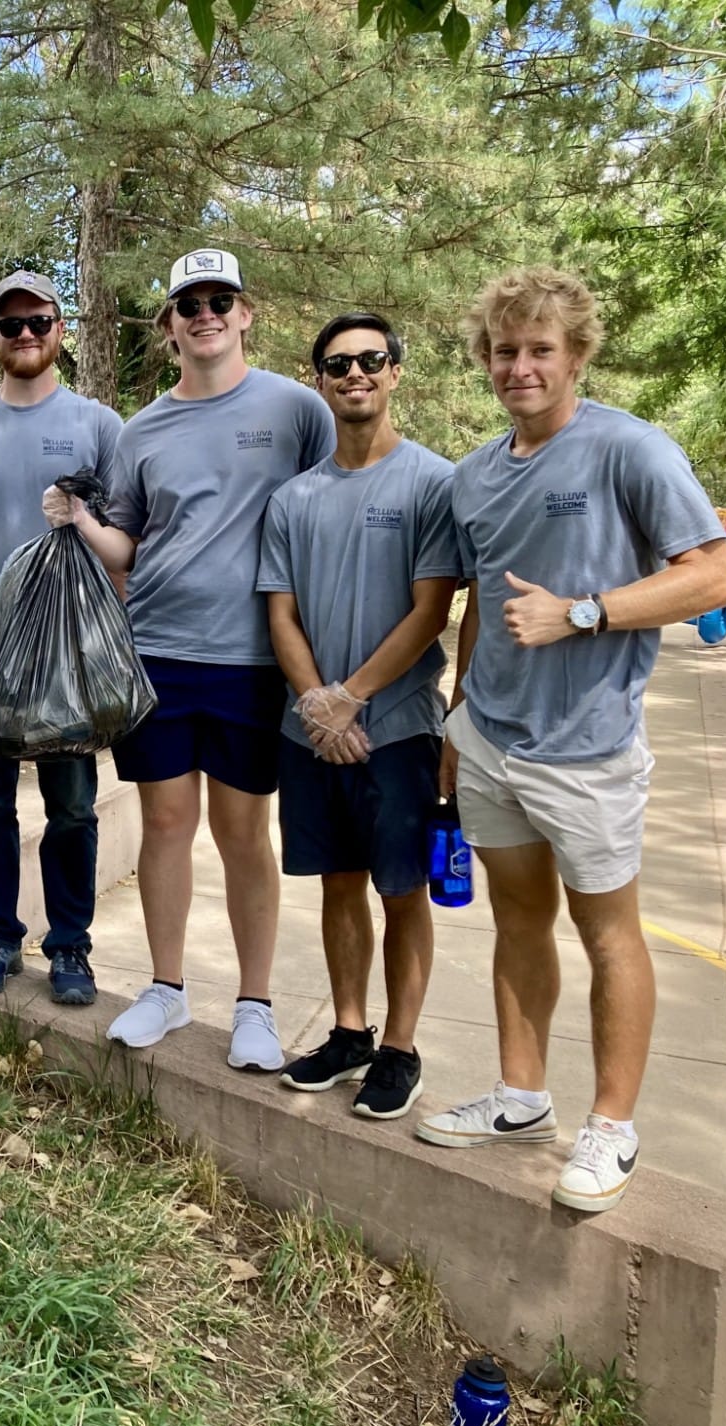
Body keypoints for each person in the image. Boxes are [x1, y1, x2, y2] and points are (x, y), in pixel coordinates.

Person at [418, 267, 726, 1213]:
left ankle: (612, 1126)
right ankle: (521, 1099)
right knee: (518, 923)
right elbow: (484, 602)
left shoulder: (630, 449)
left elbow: (713, 576)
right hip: (490, 741)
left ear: (577, 354)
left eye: (540, 349)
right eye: (504, 351)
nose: (520, 367)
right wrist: (458, 717)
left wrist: (585, 611)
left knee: (609, 934)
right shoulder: (474, 475)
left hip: (590, 750)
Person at [58, 249, 334, 1070]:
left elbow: (329, 513)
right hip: (158, 656)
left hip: (254, 660)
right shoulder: (142, 429)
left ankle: (256, 1006)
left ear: (245, 314)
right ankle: (167, 990)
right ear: (168, 325)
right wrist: (79, 520)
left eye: (220, 301)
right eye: (189, 304)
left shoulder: (297, 410)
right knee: (166, 825)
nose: (205, 315)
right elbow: (128, 547)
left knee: (243, 831)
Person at [256, 312, 458, 1121]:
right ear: (320, 382)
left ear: (395, 372)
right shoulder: (292, 498)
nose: (355, 374)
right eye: (338, 364)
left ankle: (401, 1048)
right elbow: (280, 614)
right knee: (337, 883)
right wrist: (318, 706)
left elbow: (431, 611)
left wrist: (351, 699)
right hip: (309, 731)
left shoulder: (433, 483)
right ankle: (350, 1033)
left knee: (400, 888)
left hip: (398, 730)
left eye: (372, 359)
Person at [0, 270, 123, 1004]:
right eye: (12, 324)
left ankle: (70, 948)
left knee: (71, 806)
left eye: (40, 321)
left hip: (69, 652)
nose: (27, 333)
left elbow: (125, 543)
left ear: (61, 329)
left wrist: (121, 642)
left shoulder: (99, 425)